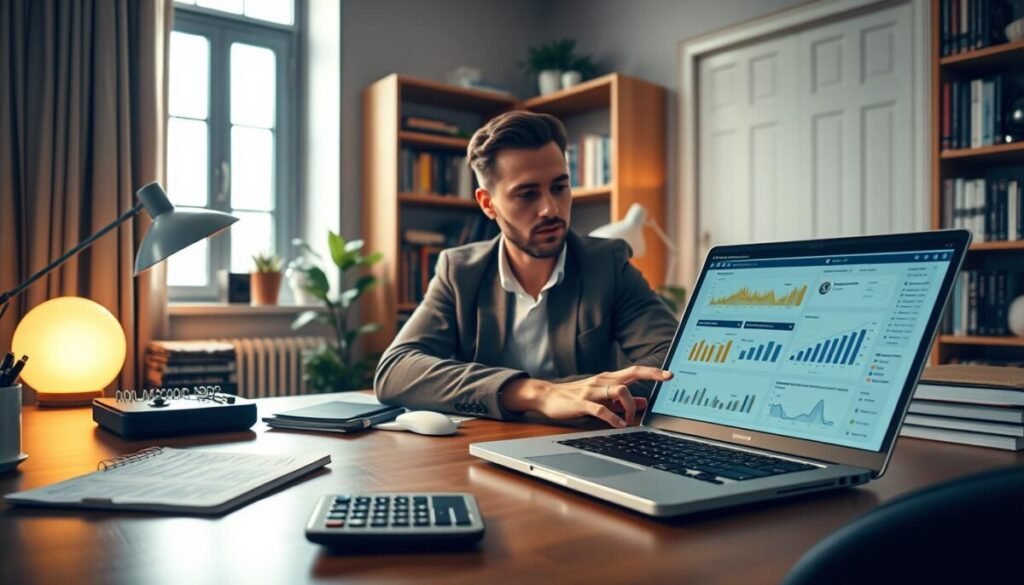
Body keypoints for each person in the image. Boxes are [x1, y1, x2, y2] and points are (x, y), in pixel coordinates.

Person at [374, 110, 677, 427]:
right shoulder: (460, 271)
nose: (550, 208)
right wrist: (538, 394)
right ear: (488, 204)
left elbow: (673, 363)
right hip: (482, 451)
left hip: (582, 444)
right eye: (527, 194)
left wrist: (565, 395)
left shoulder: (607, 263)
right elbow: (396, 370)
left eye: (559, 188)